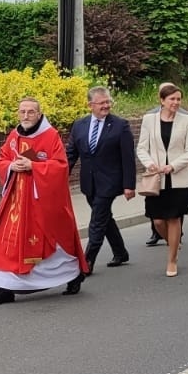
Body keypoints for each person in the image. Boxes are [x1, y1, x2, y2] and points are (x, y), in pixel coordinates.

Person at [0, 97, 89, 303]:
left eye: (31, 112)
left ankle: (73, 275)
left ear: (39, 114)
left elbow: (61, 166)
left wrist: (34, 167)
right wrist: (10, 167)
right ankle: (4, 289)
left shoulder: (50, 136)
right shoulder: (14, 136)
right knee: (4, 243)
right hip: (15, 203)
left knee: (51, 241)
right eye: (22, 112)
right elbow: (2, 159)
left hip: (42, 203)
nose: (26, 116)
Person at [68, 84, 136, 270]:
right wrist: (58, 177)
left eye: (108, 102)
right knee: (104, 217)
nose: (106, 106)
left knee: (97, 220)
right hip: (89, 183)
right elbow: (71, 154)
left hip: (110, 181)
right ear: (90, 105)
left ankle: (87, 261)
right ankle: (120, 252)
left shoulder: (120, 126)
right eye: (101, 103)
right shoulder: (79, 125)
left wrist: (129, 185)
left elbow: (128, 158)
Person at [135, 82, 188, 278]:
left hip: (178, 179)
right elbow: (141, 148)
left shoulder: (186, 121)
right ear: (162, 100)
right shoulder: (148, 120)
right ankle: (174, 244)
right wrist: (150, 163)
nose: (176, 102)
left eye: (178, 99)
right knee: (159, 220)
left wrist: (173, 166)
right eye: (172, 99)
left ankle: (172, 260)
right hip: (156, 179)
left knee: (174, 218)